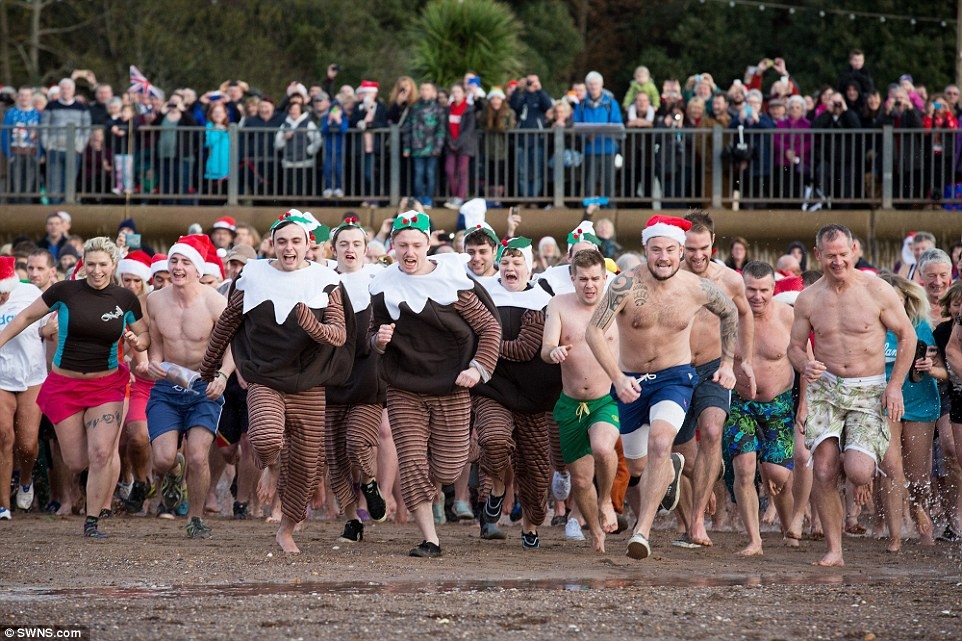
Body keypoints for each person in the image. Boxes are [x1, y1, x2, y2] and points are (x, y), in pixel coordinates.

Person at [586, 215, 738, 560]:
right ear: (645, 250)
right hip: (631, 381)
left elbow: (730, 312)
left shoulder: (695, 288)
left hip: (675, 377)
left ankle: (643, 531)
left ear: (681, 251)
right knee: (639, 466)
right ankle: (671, 466)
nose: (664, 257)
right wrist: (617, 378)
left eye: (671, 250)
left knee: (659, 441)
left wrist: (728, 363)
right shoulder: (624, 285)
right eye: (657, 250)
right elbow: (593, 332)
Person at [201, 210, 354, 553]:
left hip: (309, 384)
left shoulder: (324, 280)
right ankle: (270, 465)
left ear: (308, 245)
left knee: (304, 465)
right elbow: (227, 323)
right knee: (268, 438)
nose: (288, 247)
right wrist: (208, 367)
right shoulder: (253, 277)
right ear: (272, 244)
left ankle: (286, 529)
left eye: (296, 241)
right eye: (281, 241)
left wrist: (310, 325)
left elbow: (339, 334)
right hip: (266, 377)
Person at [368, 211, 501, 557]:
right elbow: (374, 333)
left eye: (416, 245)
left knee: (447, 467)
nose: (409, 252)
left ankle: (473, 450)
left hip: (452, 385)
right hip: (404, 387)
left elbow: (490, 329)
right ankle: (431, 539)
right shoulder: (382, 286)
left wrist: (478, 368)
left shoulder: (453, 283)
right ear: (392, 246)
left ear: (428, 244)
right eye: (402, 245)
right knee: (412, 462)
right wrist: (378, 341)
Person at [0, 236, 149, 538]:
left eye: (102, 264)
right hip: (65, 385)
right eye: (91, 264)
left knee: (101, 453)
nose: (96, 271)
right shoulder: (64, 291)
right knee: (76, 461)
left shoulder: (125, 299)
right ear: (83, 265)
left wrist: (136, 342)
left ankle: (92, 521)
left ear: (113, 265)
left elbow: (144, 336)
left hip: (106, 385)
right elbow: (27, 316)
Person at [788, 224, 916, 567]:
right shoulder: (809, 298)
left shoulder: (877, 290)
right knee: (825, 471)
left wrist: (894, 385)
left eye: (843, 254)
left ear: (854, 250)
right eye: (830, 256)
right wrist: (804, 365)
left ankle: (855, 459)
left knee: (859, 471)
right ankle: (835, 550)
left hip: (868, 387)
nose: (837, 262)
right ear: (818, 255)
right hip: (827, 387)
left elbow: (907, 336)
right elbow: (795, 348)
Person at [472, 237, 561, 548]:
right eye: (506, 262)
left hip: (535, 395)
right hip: (492, 389)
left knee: (536, 472)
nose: (510, 267)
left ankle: (530, 524)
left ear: (530, 266)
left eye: (517, 262)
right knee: (493, 441)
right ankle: (497, 487)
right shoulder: (482, 294)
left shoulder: (543, 298)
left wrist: (486, 344)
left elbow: (525, 349)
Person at [142, 234, 232, 535]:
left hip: (204, 386)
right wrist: (153, 362)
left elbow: (235, 345)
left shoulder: (215, 302)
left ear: (198, 269)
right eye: (174, 261)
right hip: (167, 388)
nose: (178, 267)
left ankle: (195, 518)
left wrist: (223, 376)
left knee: (197, 454)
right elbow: (155, 341)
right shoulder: (155, 300)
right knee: (163, 459)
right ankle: (173, 470)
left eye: (185, 262)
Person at [677, 211, 754, 548]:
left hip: (712, 366)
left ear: (713, 244)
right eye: (690, 248)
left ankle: (696, 523)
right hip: (674, 368)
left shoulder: (729, 279)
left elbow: (745, 313)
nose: (697, 255)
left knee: (711, 431)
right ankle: (693, 504)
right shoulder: (667, 276)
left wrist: (744, 360)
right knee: (681, 457)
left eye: (703, 248)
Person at [542, 249, 620, 552]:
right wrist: (554, 352)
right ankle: (597, 532)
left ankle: (606, 501)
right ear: (572, 278)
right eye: (583, 279)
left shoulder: (615, 307)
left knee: (603, 447)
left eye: (595, 279)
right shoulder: (559, 305)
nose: (590, 285)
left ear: (604, 279)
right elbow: (546, 348)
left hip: (606, 399)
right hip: (571, 403)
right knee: (581, 479)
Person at [724, 261, 796, 556]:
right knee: (744, 468)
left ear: (773, 289)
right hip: (741, 403)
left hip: (779, 403)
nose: (757, 296)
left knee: (778, 475)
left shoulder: (788, 316)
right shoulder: (729, 316)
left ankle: (789, 527)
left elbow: (805, 360)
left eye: (763, 290)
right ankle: (754, 539)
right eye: (750, 290)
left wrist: (805, 407)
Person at [325, 218, 389, 543]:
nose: (350, 250)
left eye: (356, 244)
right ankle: (351, 519)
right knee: (334, 454)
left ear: (366, 249)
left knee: (356, 441)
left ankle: (369, 481)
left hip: (367, 376)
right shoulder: (321, 281)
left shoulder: (378, 282)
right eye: (344, 244)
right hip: (329, 378)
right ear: (332, 249)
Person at [876, 272, 945, 551]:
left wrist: (931, 366)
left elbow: (940, 367)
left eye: (897, 298)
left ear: (906, 299)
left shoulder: (920, 326)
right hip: (884, 403)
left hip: (919, 401)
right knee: (892, 469)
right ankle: (895, 537)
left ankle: (918, 511)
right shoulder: (872, 327)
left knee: (918, 477)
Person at [0, 257, 48, 519]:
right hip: (1, 376)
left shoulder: (29, 292)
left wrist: (49, 330)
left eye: (3, 292)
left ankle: (25, 479)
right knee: (4, 436)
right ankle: (3, 504)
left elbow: (48, 327)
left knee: (28, 444)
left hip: (31, 375)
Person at [572, 71, 624, 200]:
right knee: (589, 182)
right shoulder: (581, 104)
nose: (593, 87)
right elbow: (576, 123)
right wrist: (585, 135)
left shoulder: (611, 103)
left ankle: (608, 208)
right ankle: (589, 208)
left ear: (601, 85)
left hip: (608, 148)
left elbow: (617, 123)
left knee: (608, 182)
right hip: (589, 148)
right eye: (590, 84)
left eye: (595, 84)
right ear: (587, 86)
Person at [40, 78, 91, 204]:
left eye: (68, 88)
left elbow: (87, 128)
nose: (65, 91)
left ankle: (67, 207)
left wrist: (80, 146)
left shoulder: (82, 107)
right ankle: (54, 207)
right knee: (54, 181)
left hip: (74, 149)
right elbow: (44, 126)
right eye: (63, 88)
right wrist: (47, 145)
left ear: (73, 90)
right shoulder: (51, 106)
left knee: (70, 180)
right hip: (54, 149)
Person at [509, 73, 554, 201]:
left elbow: (548, 106)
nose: (531, 84)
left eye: (534, 81)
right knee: (522, 172)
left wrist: (539, 90)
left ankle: (534, 198)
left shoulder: (540, 96)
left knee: (536, 172)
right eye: (529, 81)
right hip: (521, 139)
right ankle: (525, 198)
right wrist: (518, 89)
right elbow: (514, 106)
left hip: (537, 140)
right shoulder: (522, 96)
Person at [402, 83, 446, 208]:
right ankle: (419, 199)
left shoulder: (438, 109)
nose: (425, 92)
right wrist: (407, 146)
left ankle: (428, 199)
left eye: (427, 89)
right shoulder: (414, 108)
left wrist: (438, 147)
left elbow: (441, 130)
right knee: (418, 174)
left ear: (433, 92)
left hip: (432, 148)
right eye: (422, 89)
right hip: (417, 147)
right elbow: (408, 127)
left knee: (430, 174)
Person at [1, 87, 41, 203]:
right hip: (15, 152)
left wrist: (39, 154)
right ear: (18, 97)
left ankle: (27, 211)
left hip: (32, 152)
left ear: (31, 97)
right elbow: (5, 134)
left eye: (27, 95)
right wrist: (8, 153)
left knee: (29, 183)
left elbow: (41, 134)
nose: (24, 98)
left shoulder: (37, 114)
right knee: (16, 183)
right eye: (22, 95)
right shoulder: (11, 113)